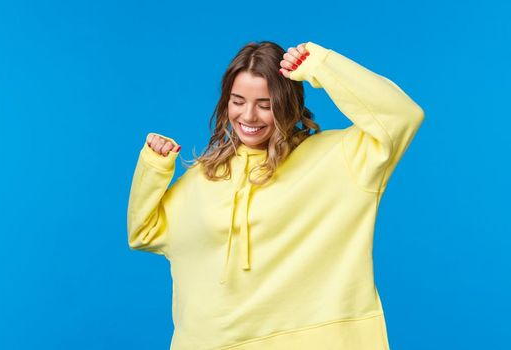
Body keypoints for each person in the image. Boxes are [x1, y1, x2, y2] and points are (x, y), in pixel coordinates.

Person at [126, 41, 424, 349]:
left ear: (287, 104)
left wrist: (321, 64)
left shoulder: (339, 160)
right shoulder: (205, 176)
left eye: (265, 105)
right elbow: (144, 232)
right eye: (237, 101)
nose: (249, 116)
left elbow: (402, 117)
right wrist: (153, 166)